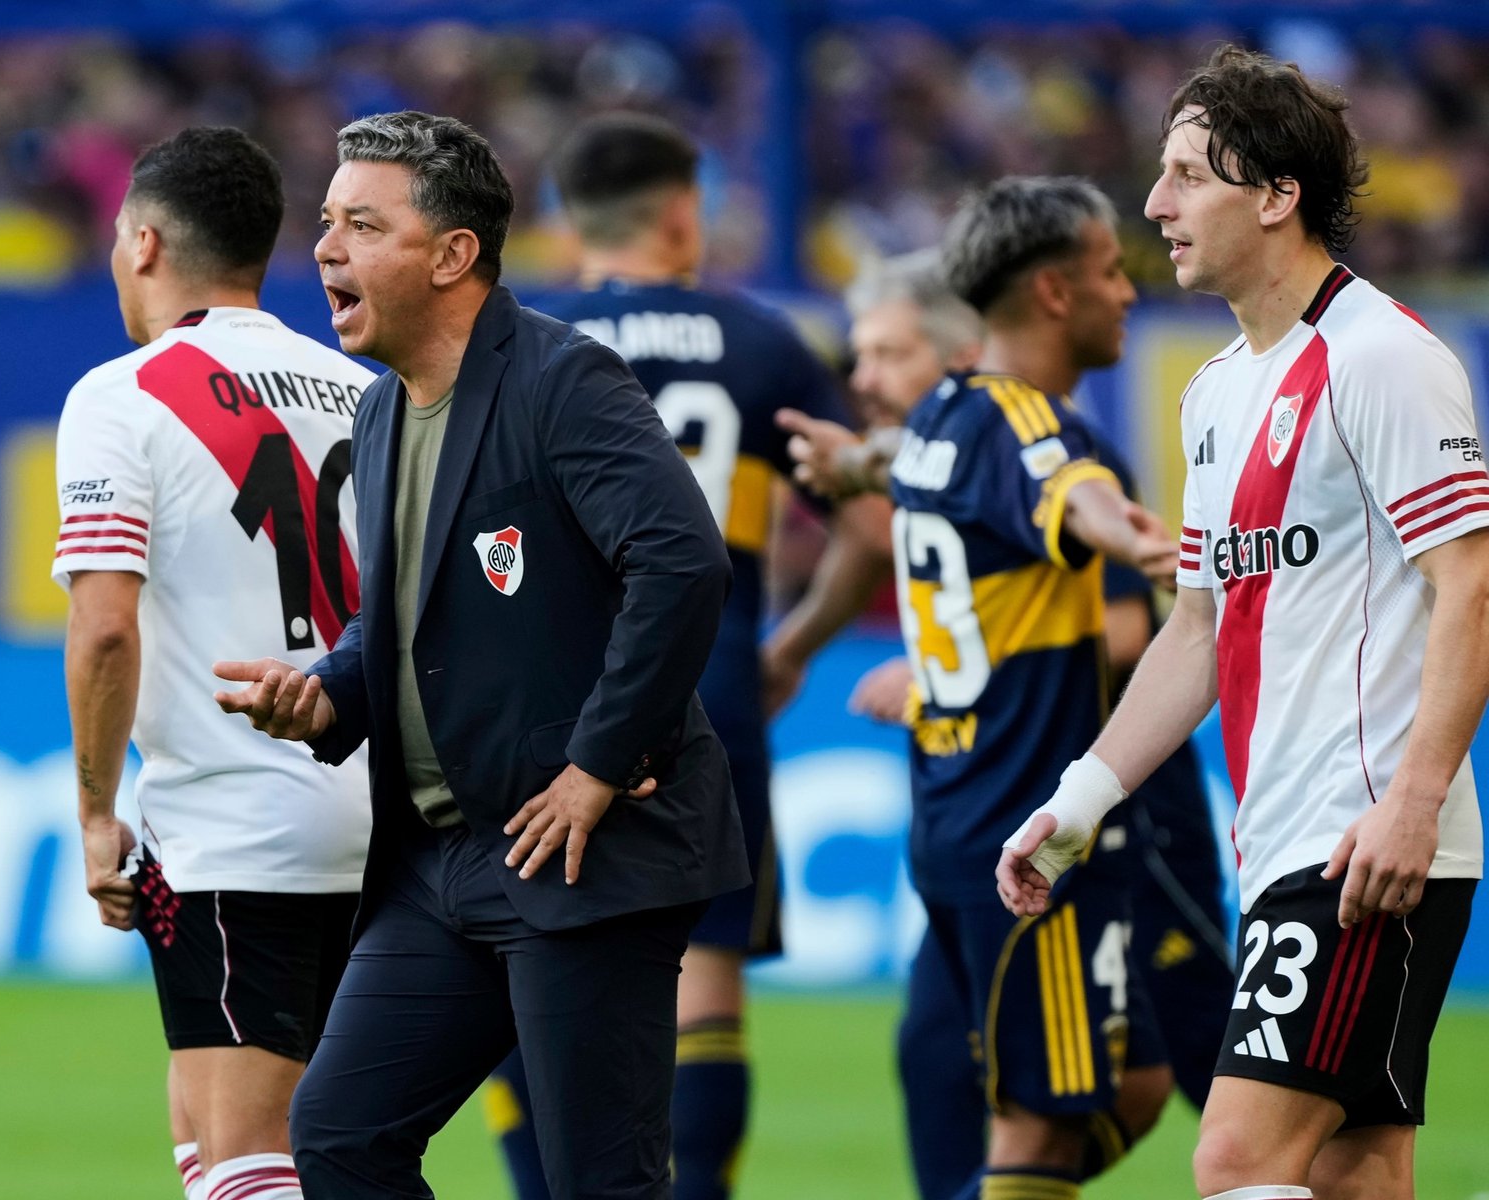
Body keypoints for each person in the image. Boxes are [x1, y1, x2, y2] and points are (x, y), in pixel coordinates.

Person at [212, 110, 748, 1200]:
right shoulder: (376, 413)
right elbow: (398, 630)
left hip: (580, 851)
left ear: (453, 254)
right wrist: (325, 696)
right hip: (443, 861)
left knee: (597, 1181)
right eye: (326, 223)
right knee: (339, 1134)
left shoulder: (563, 380)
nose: (323, 249)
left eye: (362, 224)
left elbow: (682, 565)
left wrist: (597, 767)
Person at [999, 45, 1486, 1200]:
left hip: (1361, 840)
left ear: (1276, 196)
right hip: (1279, 843)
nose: (1156, 204)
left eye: (1186, 175)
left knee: (1233, 1160)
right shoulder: (1216, 389)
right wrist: (1077, 804)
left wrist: (1413, 800)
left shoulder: (1383, 358)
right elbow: (1196, 631)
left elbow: (1470, 584)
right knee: (1352, 1173)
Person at [481, 111, 895, 1200]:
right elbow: (868, 525)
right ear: (680, 213)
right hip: (705, 698)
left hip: (545, 708)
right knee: (700, 979)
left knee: (523, 961)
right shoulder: (761, 343)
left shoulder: (522, 339)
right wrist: (793, 646)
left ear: (572, 224)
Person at [781, 176, 1181, 1200]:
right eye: (1105, 270)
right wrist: (1141, 538)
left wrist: (853, 462)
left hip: (963, 813)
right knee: (1043, 1137)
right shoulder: (1032, 426)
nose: (1127, 290)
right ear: (1052, 292)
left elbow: (906, 463)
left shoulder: (941, 418)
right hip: (1028, 835)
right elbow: (1072, 493)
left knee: (1132, 1082)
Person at [55, 127, 374, 1200]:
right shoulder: (362, 391)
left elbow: (104, 626)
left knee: (250, 1158)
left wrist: (97, 810)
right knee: (208, 1138)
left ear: (143, 243)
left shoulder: (123, 395)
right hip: (375, 809)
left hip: (243, 820)